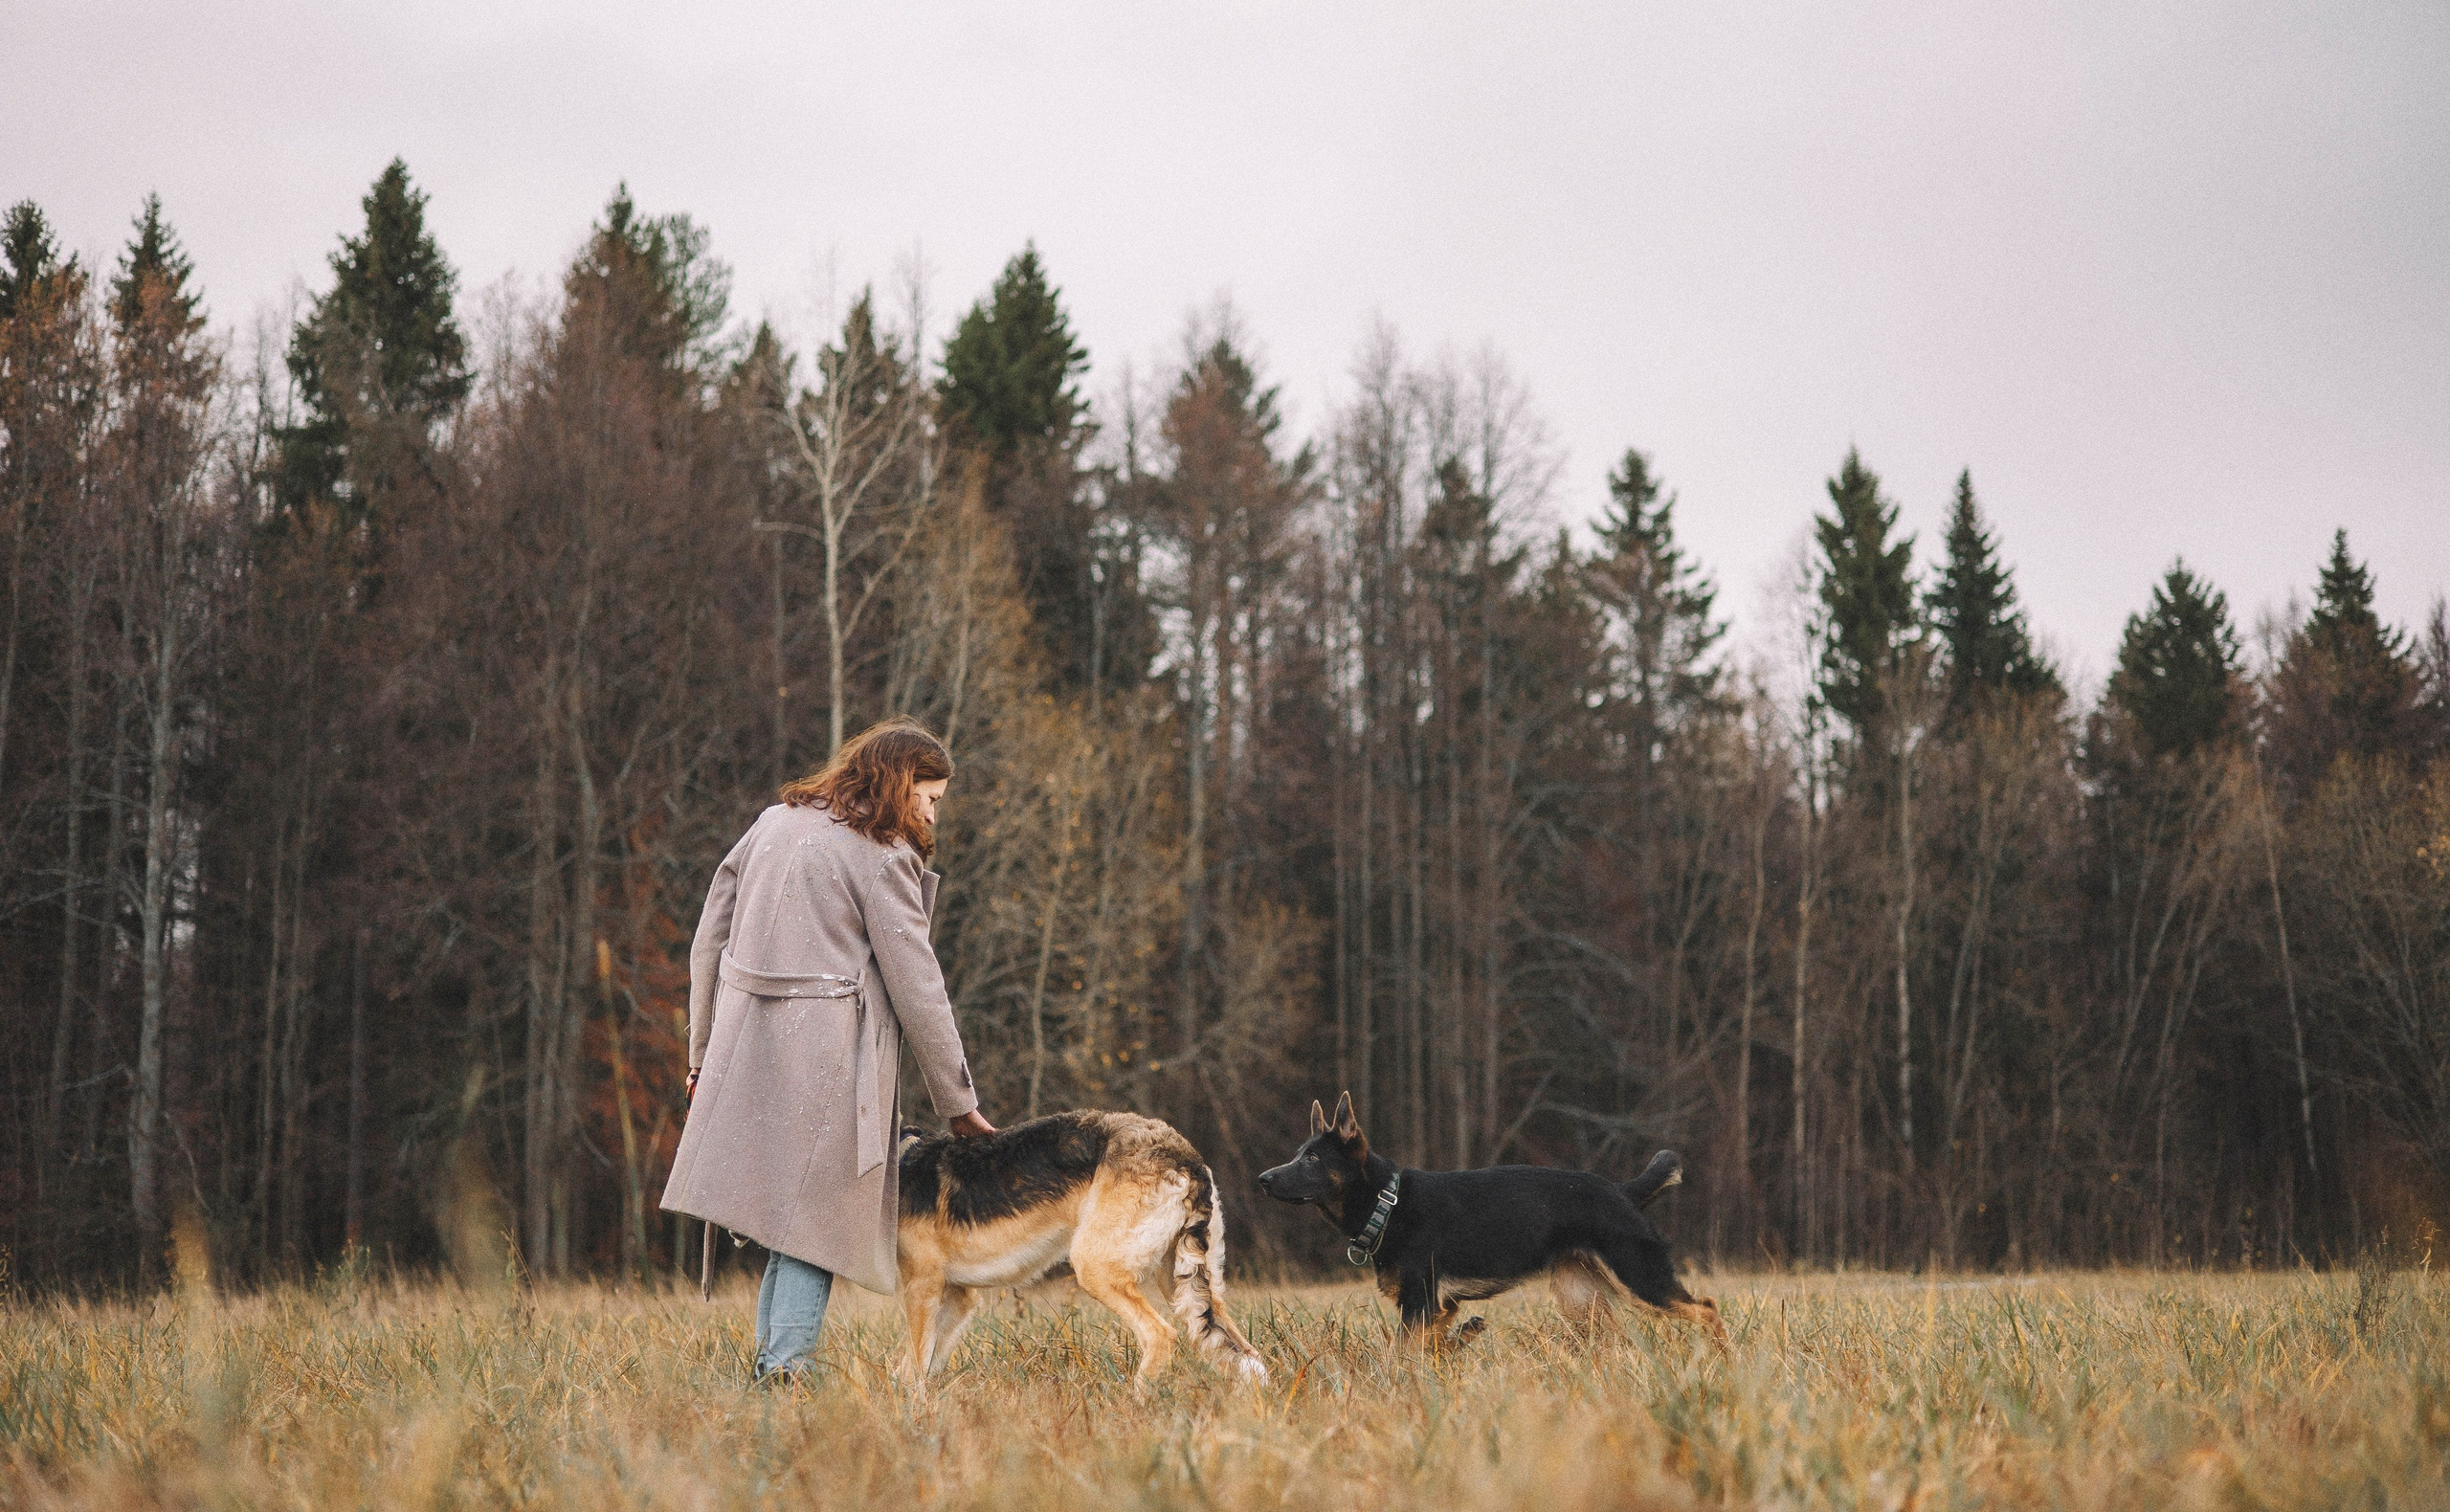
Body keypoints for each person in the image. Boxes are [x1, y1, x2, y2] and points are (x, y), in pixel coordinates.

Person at [660, 718, 995, 1383]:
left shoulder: (772, 822)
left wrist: (702, 1051)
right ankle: (785, 1368)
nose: (931, 814)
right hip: (829, 1061)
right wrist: (959, 1104)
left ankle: (777, 1362)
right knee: (816, 1218)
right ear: (900, 786)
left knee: (798, 1216)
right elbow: (919, 988)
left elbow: (708, 941)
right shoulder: (883, 856)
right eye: (928, 798)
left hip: (743, 1045)